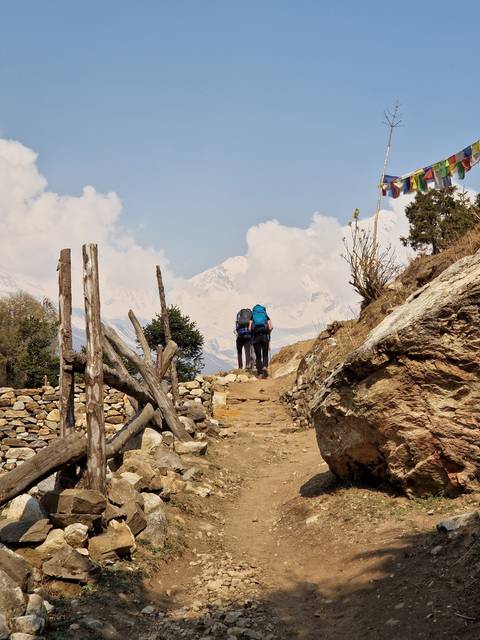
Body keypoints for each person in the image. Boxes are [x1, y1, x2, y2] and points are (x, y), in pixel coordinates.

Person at [249, 304, 273, 378]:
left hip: (256, 337)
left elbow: (249, 328)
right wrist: (268, 333)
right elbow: (271, 327)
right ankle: (265, 367)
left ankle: (259, 373)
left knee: (258, 356)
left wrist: (252, 334)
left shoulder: (252, 316)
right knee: (265, 354)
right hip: (265, 337)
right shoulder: (265, 315)